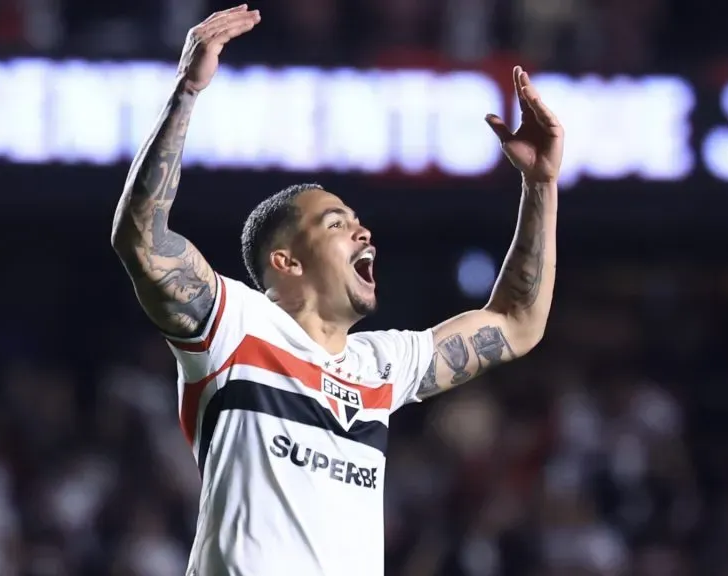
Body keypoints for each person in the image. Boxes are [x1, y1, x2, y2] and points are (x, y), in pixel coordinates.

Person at [110, 5, 562, 576]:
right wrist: (187, 92)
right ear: (286, 261)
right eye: (336, 223)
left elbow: (518, 323)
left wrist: (541, 184)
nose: (362, 231)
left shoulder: (381, 365)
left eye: (358, 221)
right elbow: (143, 239)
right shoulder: (235, 327)